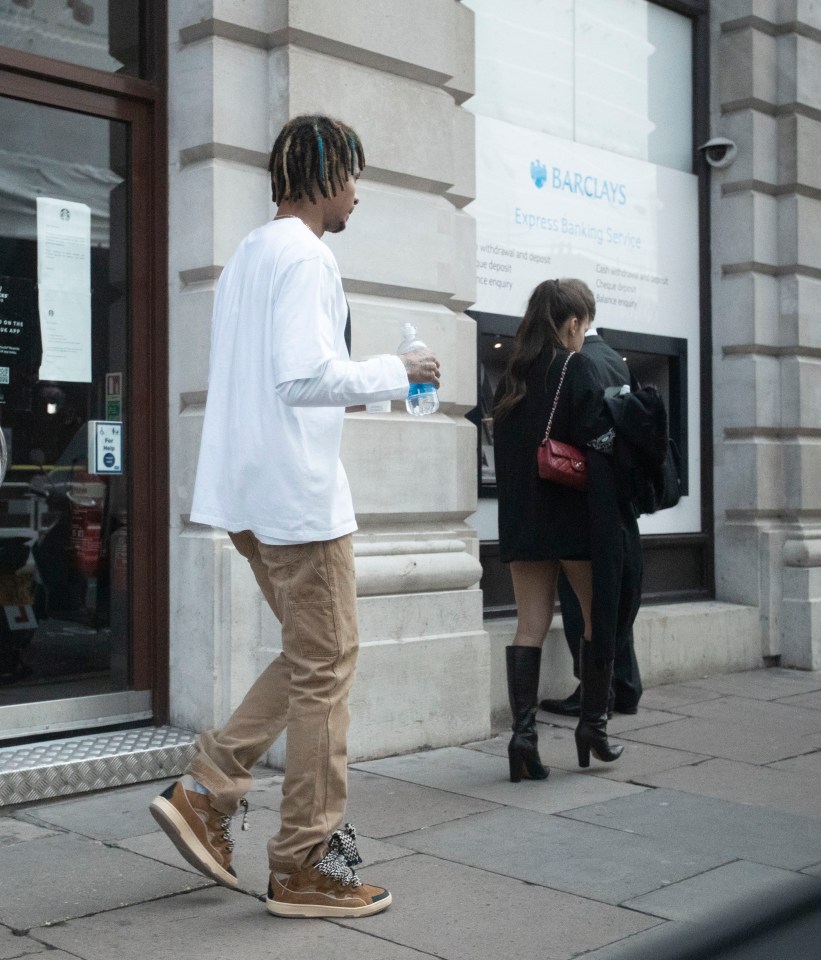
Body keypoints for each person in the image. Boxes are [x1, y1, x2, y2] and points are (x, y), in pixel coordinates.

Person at [149, 115, 440, 919]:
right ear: (322, 176)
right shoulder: (308, 256)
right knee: (328, 670)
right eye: (352, 176)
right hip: (298, 501)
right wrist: (398, 370)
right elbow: (302, 377)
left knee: (314, 657)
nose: (358, 194)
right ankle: (306, 862)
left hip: (247, 494)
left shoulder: (250, 254)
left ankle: (207, 787)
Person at [492, 278, 623, 781]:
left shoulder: (512, 378)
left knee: (529, 625)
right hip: (573, 518)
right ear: (572, 323)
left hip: (524, 520)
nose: (582, 333)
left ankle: (523, 737)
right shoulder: (578, 367)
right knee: (595, 622)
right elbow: (600, 442)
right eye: (583, 324)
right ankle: (593, 727)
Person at [540, 296, 643, 719]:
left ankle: (593, 693)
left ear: (575, 322)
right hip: (619, 496)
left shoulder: (577, 362)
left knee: (582, 597)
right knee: (616, 592)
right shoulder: (616, 361)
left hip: (583, 494)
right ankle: (625, 686)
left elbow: (582, 427)